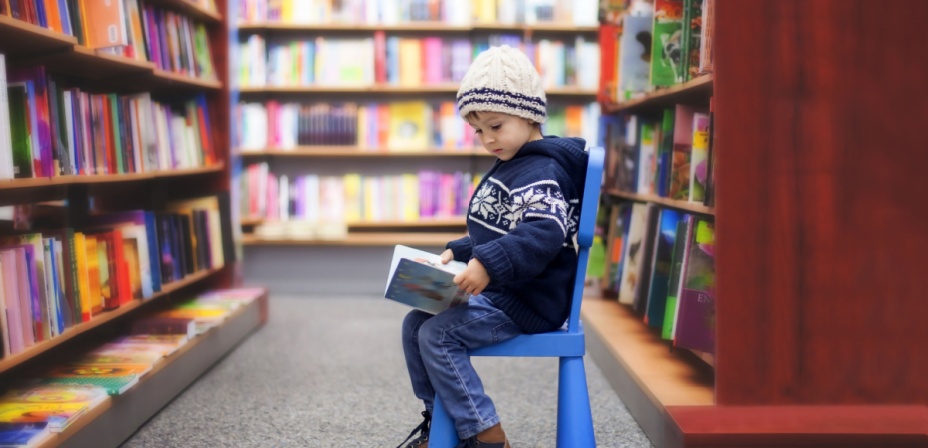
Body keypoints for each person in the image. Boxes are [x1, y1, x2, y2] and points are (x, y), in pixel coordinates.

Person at [397, 45, 589, 448]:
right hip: (503, 289)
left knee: (438, 335)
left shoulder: (541, 169)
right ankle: (442, 419)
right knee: (415, 323)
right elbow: (503, 230)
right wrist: (463, 251)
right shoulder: (515, 162)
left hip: (528, 301)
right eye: (478, 130)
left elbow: (542, 232)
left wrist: (487, 263)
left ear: (530, 113)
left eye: (495, 126)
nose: (486, 139)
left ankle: (484, 433)